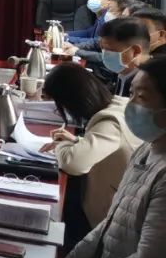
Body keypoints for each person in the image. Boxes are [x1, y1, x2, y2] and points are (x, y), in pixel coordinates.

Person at [44, 57, 166, 258]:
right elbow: (109, 222)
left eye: (142, 97)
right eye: (132, 93)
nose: (131, 105)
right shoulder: (148, 149)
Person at [41, 63, 141, 247]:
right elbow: (109, 147)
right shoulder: (117, 104)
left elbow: (73, 163)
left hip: (114, 217)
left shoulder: (110, 122)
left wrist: (60, 144)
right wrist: (78, 141)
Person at [99, 17, 152, 97]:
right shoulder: (124, 72)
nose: (104, 55)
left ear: (135, 51)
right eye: (102, 49)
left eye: (110, 51)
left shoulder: (150, 84)